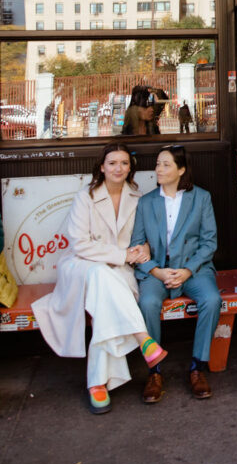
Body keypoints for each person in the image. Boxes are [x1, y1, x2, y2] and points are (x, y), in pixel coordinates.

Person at [32, 143, 167, 414]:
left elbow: (144, 238)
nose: (118, 168)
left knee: (103, 300)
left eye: (124, 163)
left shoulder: (137, 197)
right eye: (113, 162)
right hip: (82, 267)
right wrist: (122, 254)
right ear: (102, 166)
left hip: (118, 272)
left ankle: (97, 384)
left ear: (131, 168)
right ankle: (144, 339)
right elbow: (80, 245)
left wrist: (143, 250)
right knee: (98, 274)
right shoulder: (86, 197)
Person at [131, 144, 221, 403]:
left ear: (181, 170)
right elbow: (137, 245)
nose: (159, 169)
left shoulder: (201, 198)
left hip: (194, 269)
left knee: (212, 300)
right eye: (158, 163)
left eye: (166, 164)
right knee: (147, 302)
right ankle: (154, 371)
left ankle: (198, 368)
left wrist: (187, 270)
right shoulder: (146, 202)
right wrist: (156, 272)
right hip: (157, 270)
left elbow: (209, 242)